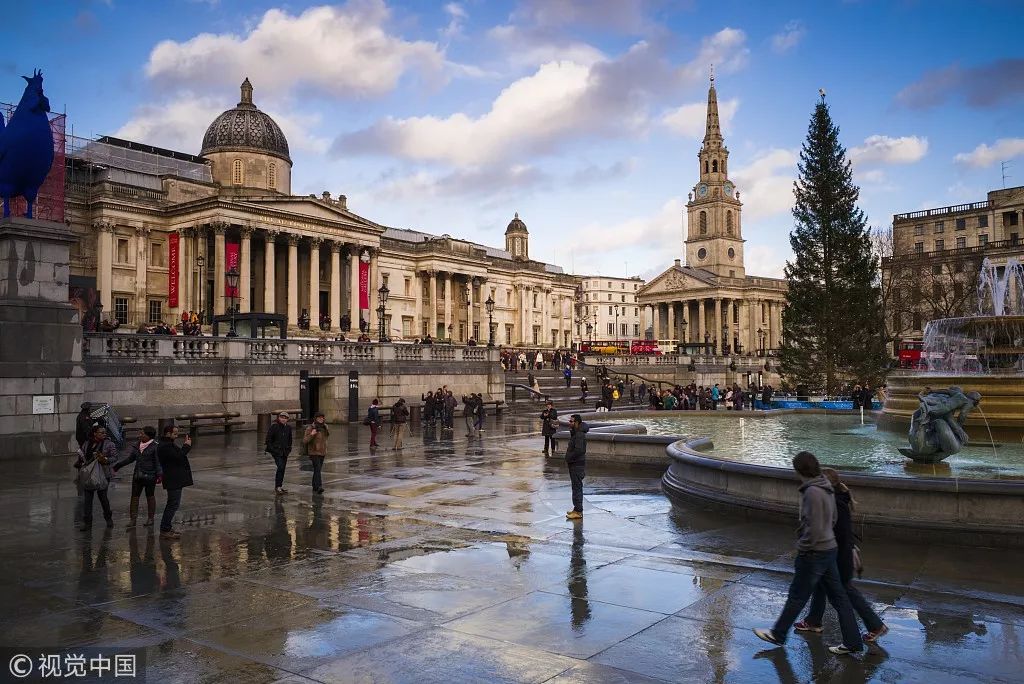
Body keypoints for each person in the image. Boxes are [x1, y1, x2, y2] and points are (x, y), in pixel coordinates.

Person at [754, 451, 864, 656]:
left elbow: (812, 526)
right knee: (839, 599)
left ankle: (778, 633)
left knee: (797, 596)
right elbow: (832, 519)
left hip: (815, 552)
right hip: (829, 548)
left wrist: (804, 548)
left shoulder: (812, 491)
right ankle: (853, 642)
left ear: (799, 470)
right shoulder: (826, 486)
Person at [794, 468, 888, 644]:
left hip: (837, 556)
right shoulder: (835, 499)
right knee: (820, 585)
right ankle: (813, 620)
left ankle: (875, 625)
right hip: (833, 553)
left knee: (846, 591)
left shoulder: (836, 503)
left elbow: (841, 533)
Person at [113, 426, 162, 528]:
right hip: (137, 475)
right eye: (140, 433)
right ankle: (133, 520)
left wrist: (159, 475)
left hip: (150, 476)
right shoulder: (137, 445)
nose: (140, 435)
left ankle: (150, 518)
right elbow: (130, 459)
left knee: (150, 496)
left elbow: (158, 462)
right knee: (134, 497)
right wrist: (118, 466)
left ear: (149, 436)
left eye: (142, 434)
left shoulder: (155, 447)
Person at [74, 425, 118, 530]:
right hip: (89, 474)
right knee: (87, 500)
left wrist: (105, 459)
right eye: (101, 432)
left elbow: (115, 457)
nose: (104, 434)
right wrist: (80, 462)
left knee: (103, 498)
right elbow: (82, 455)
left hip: (102, 474)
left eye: (104, 432)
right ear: (95, 433)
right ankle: (87, 523)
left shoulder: (109, 444)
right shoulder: (87, 443)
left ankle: (108, 519)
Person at [157, 424, 193, 540]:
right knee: (173, 504)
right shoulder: (165, 446)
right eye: (175, 433)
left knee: (173, 504)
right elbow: (179, 457)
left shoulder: (168, 444)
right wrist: (186, 446)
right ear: (168, 433)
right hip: (173, 479)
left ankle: (166, 527)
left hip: (174, 478)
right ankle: (165, 529)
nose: (176, 436)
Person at [564, 415, 589, 520]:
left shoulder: (579, 435)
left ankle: (578, 511)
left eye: (572, 421)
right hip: (575, 464)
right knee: (575, 487)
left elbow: (579, 450)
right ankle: (576, 509)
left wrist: (570, 458)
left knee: (577, 488)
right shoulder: (577, 433)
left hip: (576, 465)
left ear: (577, 422)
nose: (570, 423)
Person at [265, 412, 293, 495]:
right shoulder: (274, 427)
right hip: (276, 451)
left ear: (287, 419)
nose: (283, 419)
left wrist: (288, 449)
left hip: (285, 451)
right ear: (279, 418)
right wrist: (272, 449)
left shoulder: (288, 428)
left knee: (283, 469)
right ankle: (277, 487)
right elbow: (268, 439)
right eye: (282, 417)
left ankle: (279, 486)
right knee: (280, 467)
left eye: (285, 418)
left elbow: (290, 440)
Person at [303, 412, 329, 494]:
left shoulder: (325, 427)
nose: (321, 419)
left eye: (322, 418)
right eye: (319, 418)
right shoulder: (310, 428)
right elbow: (305, 441)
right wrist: (312, 434)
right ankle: (319, 486)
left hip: (322, 451)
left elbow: (325, 439)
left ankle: (314, 486)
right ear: (315, 419)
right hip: (314, 452)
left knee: (317, 470)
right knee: (317, 469)